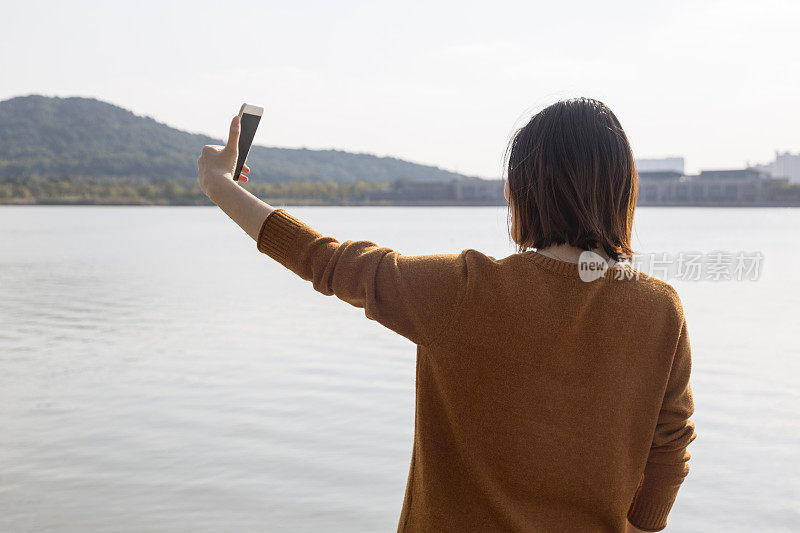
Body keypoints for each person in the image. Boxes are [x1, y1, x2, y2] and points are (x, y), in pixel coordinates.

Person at [197, 97, 696, 532]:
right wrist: (640, 526)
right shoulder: (659, 309)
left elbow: (326, 260)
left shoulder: (463, 290)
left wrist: (221, 186)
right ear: (620, 192)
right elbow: (671, 449)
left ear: (526, 190)